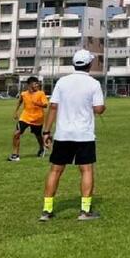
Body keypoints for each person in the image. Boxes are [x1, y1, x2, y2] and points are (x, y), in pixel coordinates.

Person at [39, 50, 105, 221]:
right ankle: (85, 211)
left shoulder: (62, 82)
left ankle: (46, 210)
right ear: (89, 64)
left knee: (55, 170)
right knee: (86, 170)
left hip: (63, 134)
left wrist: (46, 131)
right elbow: (98, 109)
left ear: (74, 64)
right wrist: (100, 108)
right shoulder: (94, 84)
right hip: (84, 135)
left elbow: (53, 107)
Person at [10, 76, 48, 161]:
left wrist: (37, 104)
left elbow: (45, 105)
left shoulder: (41, 93)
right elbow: (20, 102)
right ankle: (15, 155)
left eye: (37, 84)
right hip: (25, 117)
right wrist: (15, 112)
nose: (37, 85)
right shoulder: (24, 94)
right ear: (29, 85)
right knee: (17, 133)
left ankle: (42, 148)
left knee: (38, 136)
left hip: (37, 119)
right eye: (35, 84)